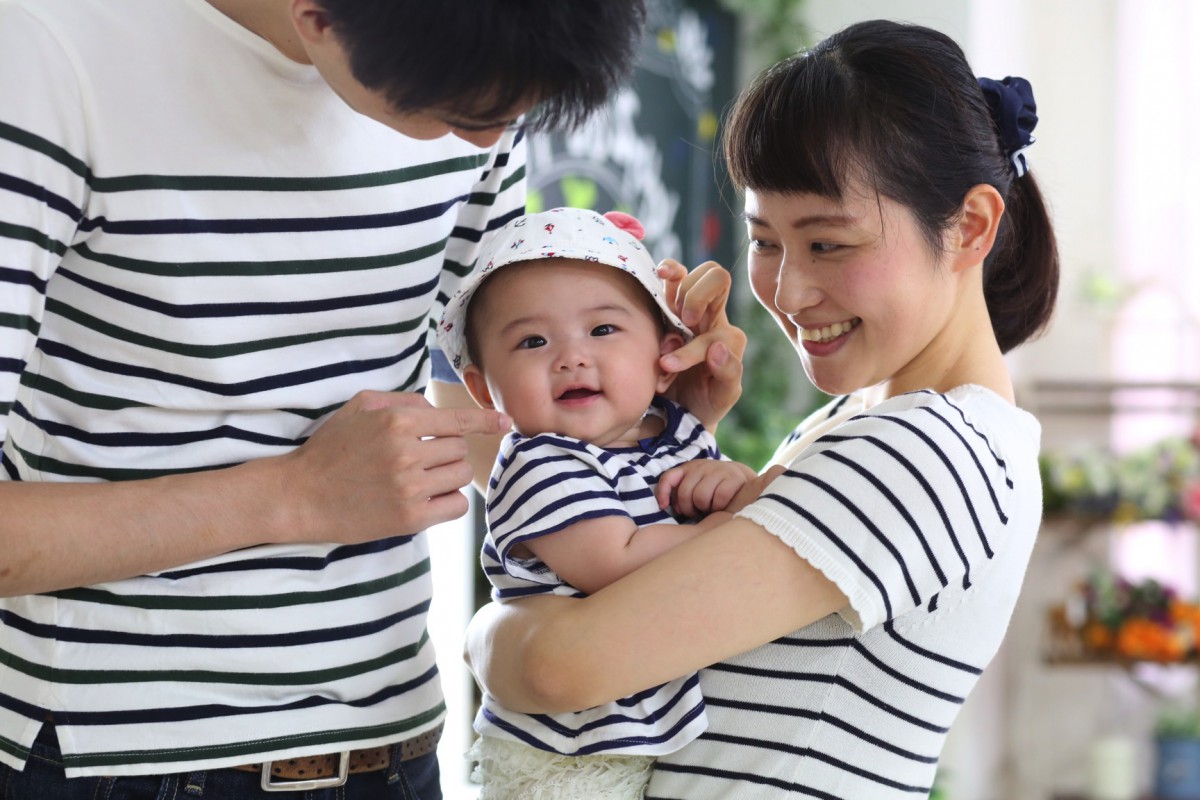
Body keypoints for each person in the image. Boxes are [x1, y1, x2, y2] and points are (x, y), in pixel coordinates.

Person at [0, 1, 752, 798]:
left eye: (512, 117)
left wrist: (646, 427)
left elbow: (475, 413)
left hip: (392, 743)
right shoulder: (51, 56)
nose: (490, 143)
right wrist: (290, 498)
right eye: (462, 116)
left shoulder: (484, 59)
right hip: (117, 757)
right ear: (317, 19)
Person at [466, 18, 1060, 799]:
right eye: (767, 241)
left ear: (971, 226)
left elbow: (556, 667)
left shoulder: (928, 447)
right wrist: (659, 438)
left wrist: (490, 631)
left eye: (829, 244)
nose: (787, 291)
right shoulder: (860, 422)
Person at [435, 207, 756, 798]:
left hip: (649, 729)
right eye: (533, 341)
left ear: (665, 357)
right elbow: (616, 562)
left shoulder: (677, 431)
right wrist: (743, 524)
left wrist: (726, 481)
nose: (572, 356)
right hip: (566, 756)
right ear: (484, 389)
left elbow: (703, 500)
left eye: (603, 330)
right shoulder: (537, 461)